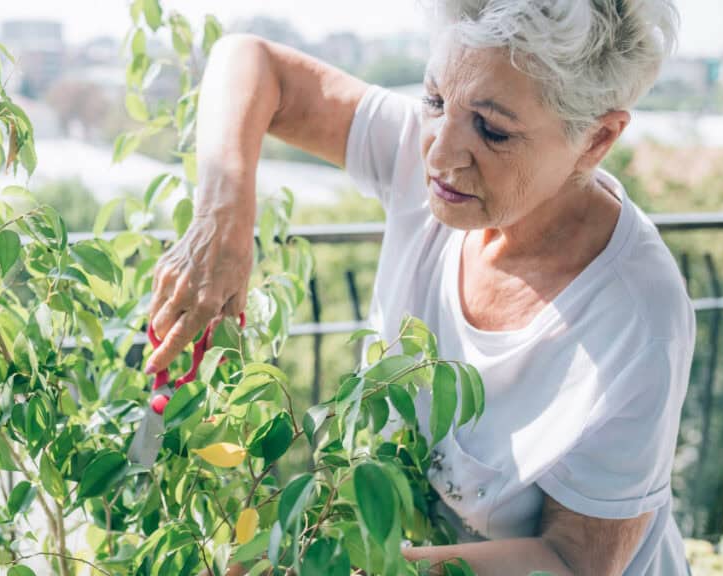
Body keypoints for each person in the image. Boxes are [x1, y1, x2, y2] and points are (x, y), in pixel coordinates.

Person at [145, 1, 694, 574]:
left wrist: (344, 566)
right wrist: (221, 214)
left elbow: (574, 561)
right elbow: (247, 60)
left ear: (597, 139)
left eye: (493, 130)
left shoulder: (639, 316)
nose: (437, 151)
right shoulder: (427, 150)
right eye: (433, 99)